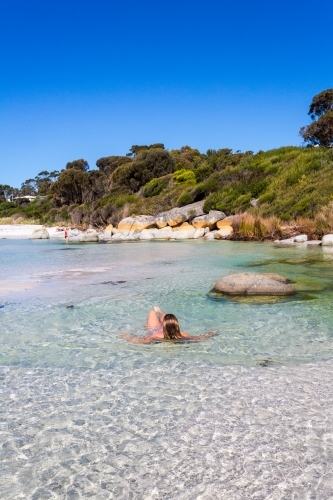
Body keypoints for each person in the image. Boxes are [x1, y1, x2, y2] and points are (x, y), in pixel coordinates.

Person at [119, 306, 218, 344]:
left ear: (163, 326)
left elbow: (142, 341)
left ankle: (160, 312)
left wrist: (127, 336)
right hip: (165, 326)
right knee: (167, 316)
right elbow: (198, 338)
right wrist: (211, 333)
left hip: (154, 329)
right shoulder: (182, 334)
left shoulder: (157, 335)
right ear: (177, 325)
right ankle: (161, 312)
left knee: (152, 312)